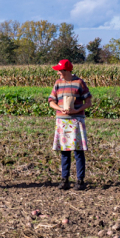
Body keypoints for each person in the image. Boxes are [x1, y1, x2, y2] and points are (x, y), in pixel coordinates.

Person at [48, 59, 92, 190]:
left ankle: (80, 181)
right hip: (62, 121)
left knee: (78, 151)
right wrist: (60, 108)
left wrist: (77, 110)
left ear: (66, 71)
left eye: (60, 70)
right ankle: (65, 179)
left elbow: (88, 102)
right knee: (64, 151)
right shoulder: (58, 83)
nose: (58, 73)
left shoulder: (79, 83)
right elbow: (51, 101)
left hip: (76, 120)